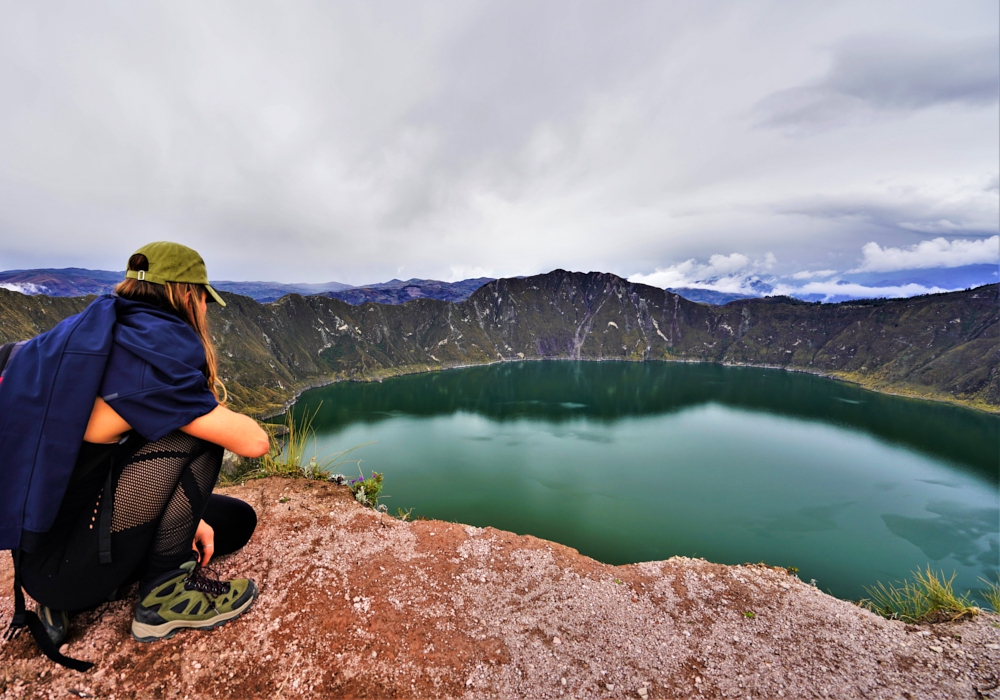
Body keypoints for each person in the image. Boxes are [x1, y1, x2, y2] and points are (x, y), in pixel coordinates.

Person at [2, 242, 269, 663]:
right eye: (203, 298)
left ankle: (100, 581)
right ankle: (163, 599)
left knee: (234, 520)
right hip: (68, 565)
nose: (204, 309)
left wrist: (188, 516)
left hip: (43, 551)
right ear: (185, 295)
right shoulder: (154, 357)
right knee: (200, 431)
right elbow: (253, 442)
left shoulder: (90, 336)